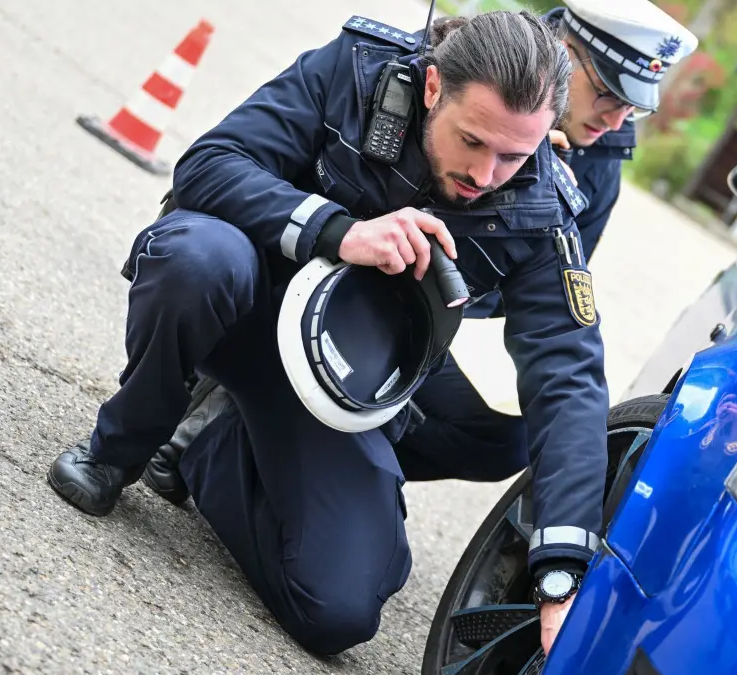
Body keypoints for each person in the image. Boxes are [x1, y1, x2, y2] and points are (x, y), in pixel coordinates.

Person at [45, 11, 608, 658]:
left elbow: (570, 379)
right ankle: (121, 445)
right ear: (432, 89)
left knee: (338, 610)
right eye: (472, 141)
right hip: (245, 296)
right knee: (197, 259)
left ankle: (215, 445)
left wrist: (562, 567)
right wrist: (338, 230)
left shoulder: (545, 209)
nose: (486, 175)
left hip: (339, 379)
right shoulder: (360, 69)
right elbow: (208, 164)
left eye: (514, 154)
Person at [389, 0, 699, 492]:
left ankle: (347, 467)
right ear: (563, 50)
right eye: (606, 94)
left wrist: (526, 221)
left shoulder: (600, 160)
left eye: (633, 106)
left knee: (504, 444)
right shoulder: (468, 65)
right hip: (340, 264)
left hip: (418, 314)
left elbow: (539, 306)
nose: (616, 121)